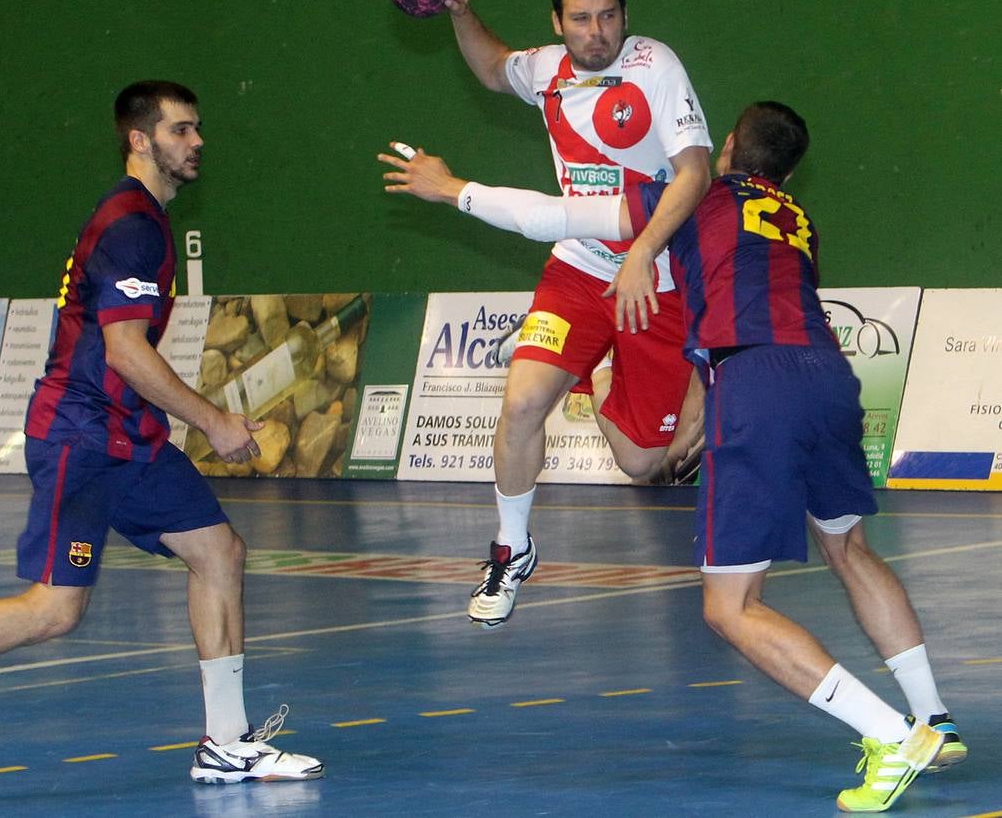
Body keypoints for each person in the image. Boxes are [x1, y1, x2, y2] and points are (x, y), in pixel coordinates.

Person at [377, 100, 966, 811]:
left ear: (724, 150)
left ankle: (894, 736)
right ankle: (935, 715)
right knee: (851, 550)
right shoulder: (797, 220)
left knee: (730, 608)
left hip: (758, 384)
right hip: (831, 378)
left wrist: (452, 189)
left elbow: (551, 217)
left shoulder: (698, 196)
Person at [0, 81, 323, 787]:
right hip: (82, 435)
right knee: (56, 609)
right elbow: (125, 350)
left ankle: (225, 744)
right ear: (140, 140)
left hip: (129, 433)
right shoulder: (130, 225)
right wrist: (212, 420)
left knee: (219, 553)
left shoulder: (144, 220)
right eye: (182, 131)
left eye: (197, 129)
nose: (197, 142)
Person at [439, 0, 712, 627]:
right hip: (578, 270)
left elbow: (695, 172)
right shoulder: (544, 71)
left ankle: (627, 368)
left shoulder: (654, 65)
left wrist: (643, 253)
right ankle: (511, 548)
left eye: (609, 16)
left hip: (658, 278)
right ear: (558, 24)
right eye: (582, 19)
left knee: (646, 462)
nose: (598, 31)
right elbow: (490, 66)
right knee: (524, 402)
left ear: (625, 16)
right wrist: (457, 9)